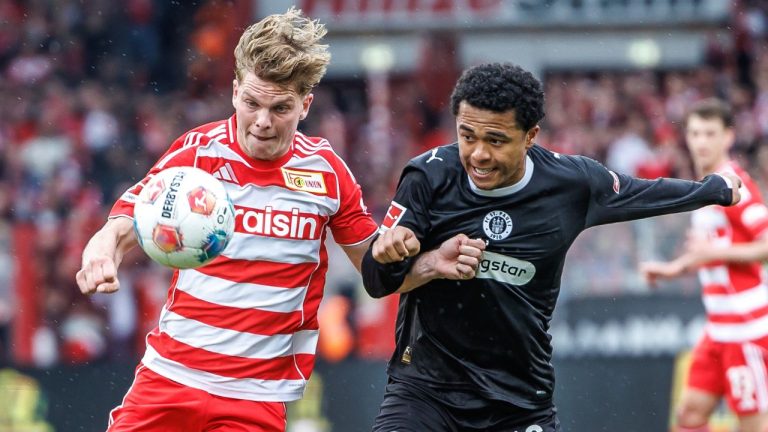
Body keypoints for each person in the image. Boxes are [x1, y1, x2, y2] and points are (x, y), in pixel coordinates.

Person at [360, 63, 742, 432]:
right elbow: (376, 281)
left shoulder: (571, 183)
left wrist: (714, 189)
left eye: (496, 140)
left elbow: (643, 192)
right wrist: (396, 256)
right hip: (425, 391)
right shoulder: (428, 175)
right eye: (467, 135)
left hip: (517, 399)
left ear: (530, 136)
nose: (478, 154)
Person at [75, 8, 378, 432]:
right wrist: (103, 253)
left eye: (280, 108)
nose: (262, 121)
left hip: (256, 396)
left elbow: (379, 268)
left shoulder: (326, 174)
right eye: (251, 103)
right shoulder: (197, 153)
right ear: (235, 91)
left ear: (305, 104)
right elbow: (125, 220)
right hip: (169, 377)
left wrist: (429, 262)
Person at [640, 99, 768, 432]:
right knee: (689, 416)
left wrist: (713, 253)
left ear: (728, 137)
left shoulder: (737, 186)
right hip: (718, 329)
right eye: (695, 133)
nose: (701, 141)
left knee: (753, 426)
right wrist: (674, 269)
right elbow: (710, 251)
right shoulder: (708, 187)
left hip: (747, 331)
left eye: (710, 133)